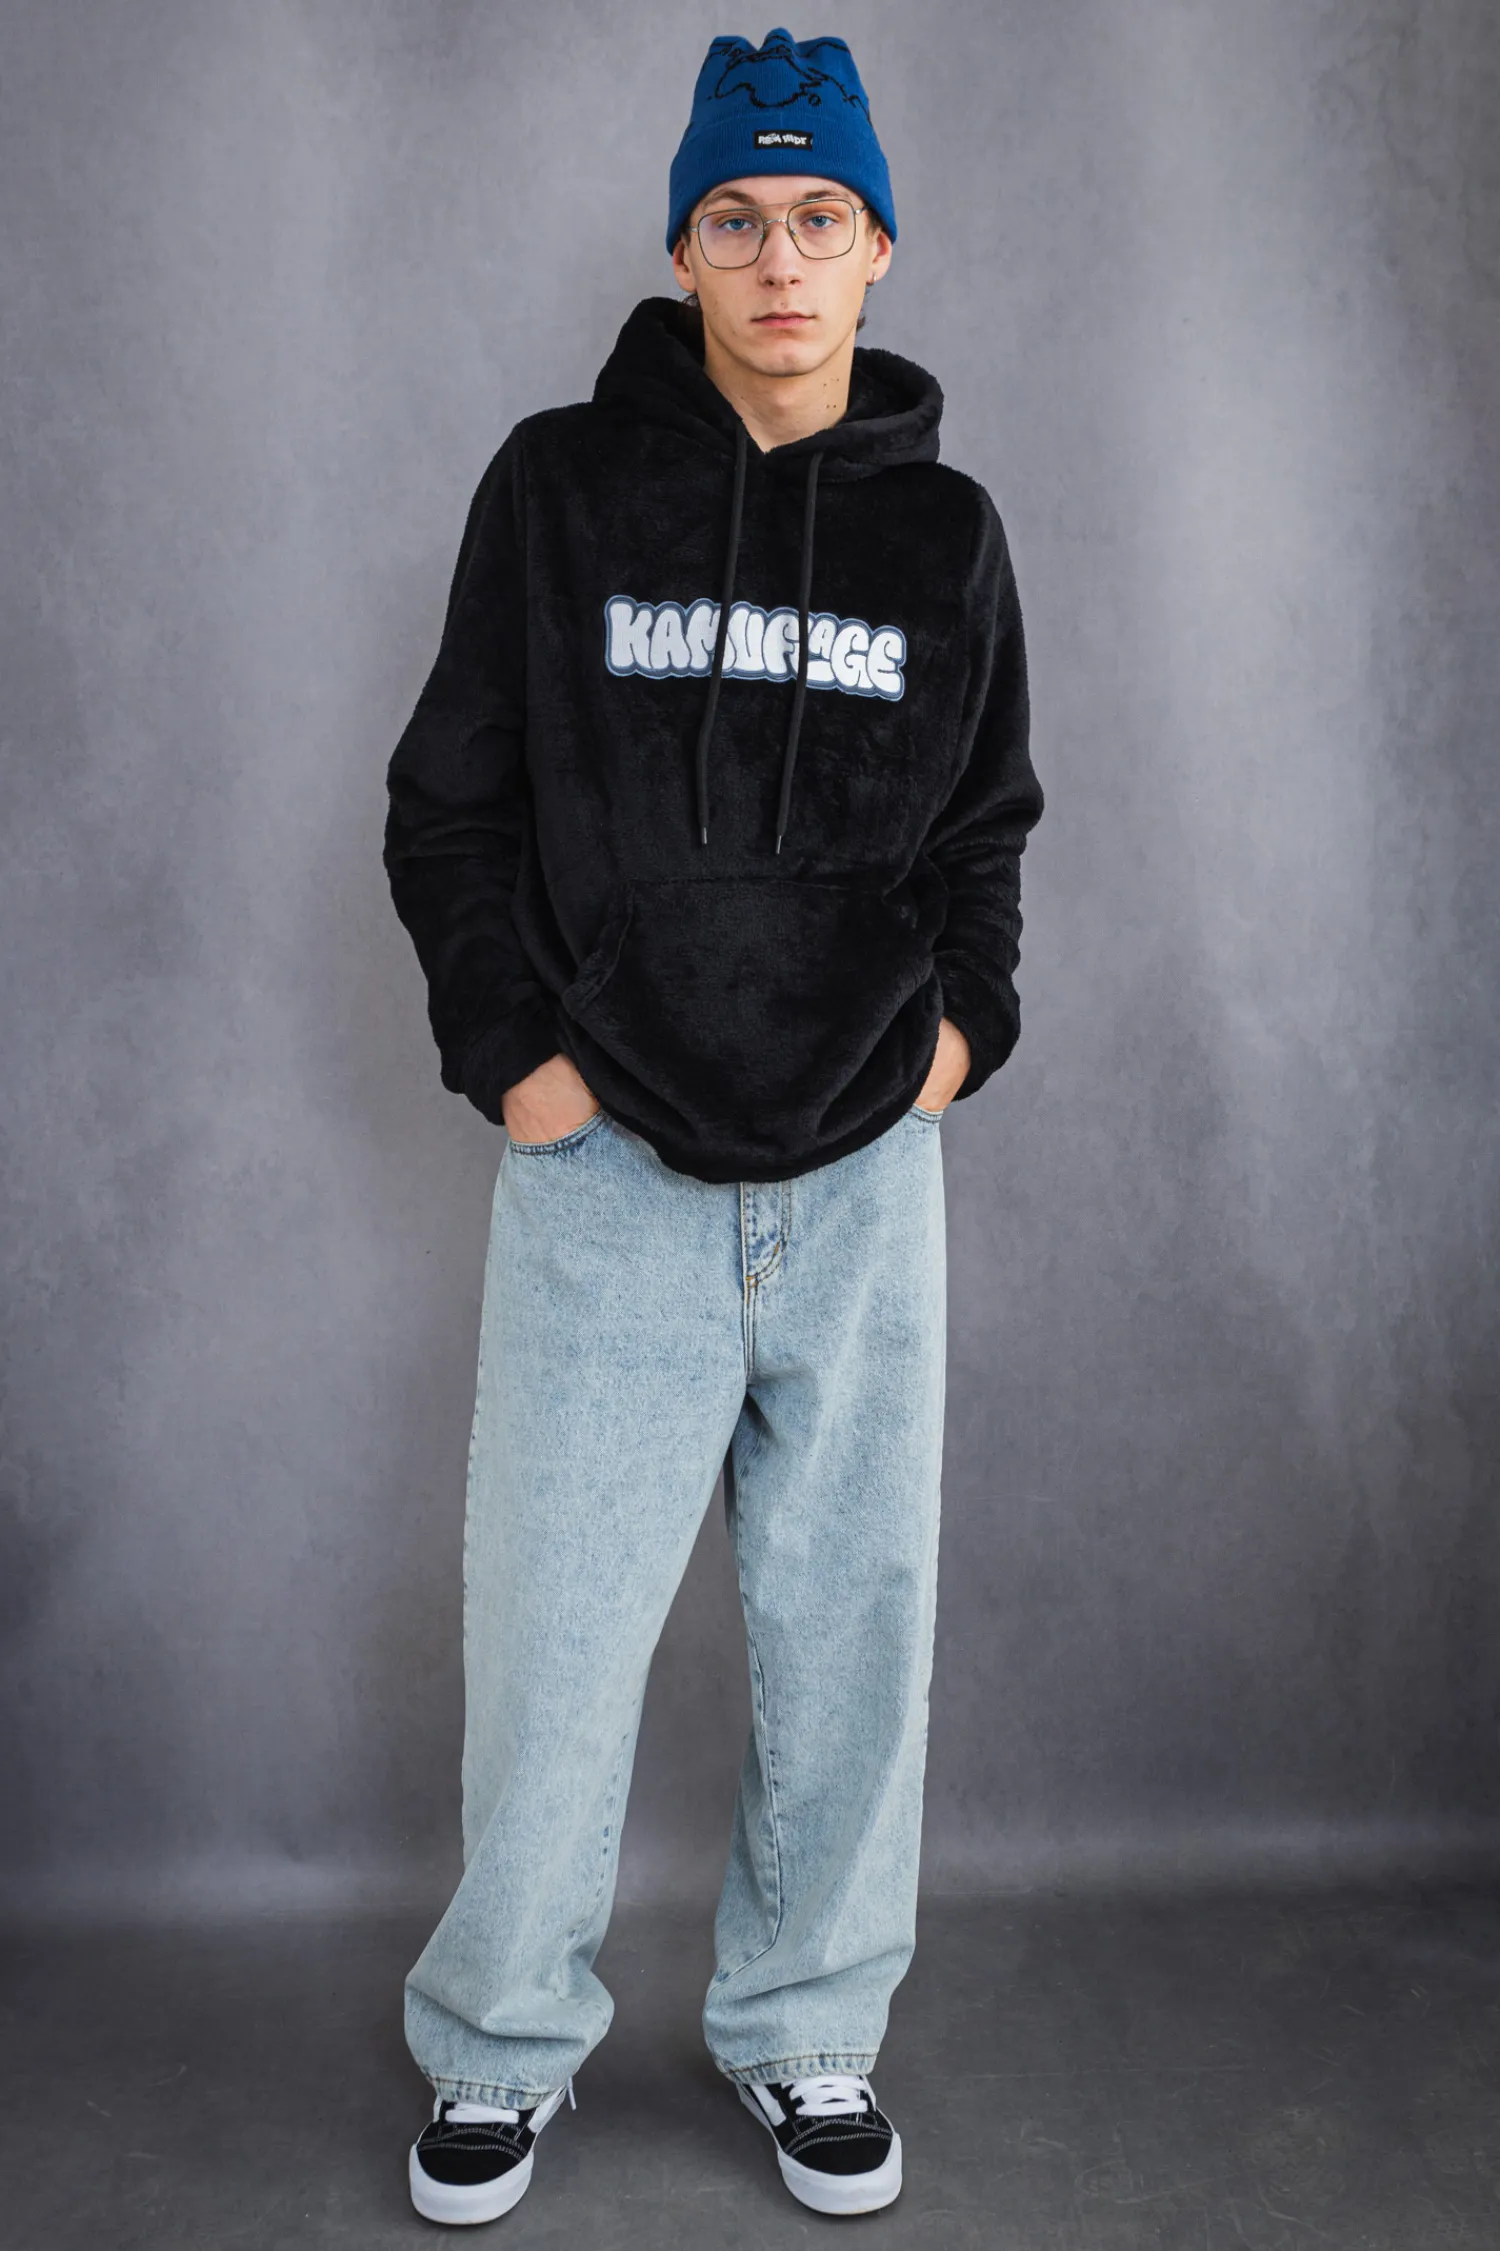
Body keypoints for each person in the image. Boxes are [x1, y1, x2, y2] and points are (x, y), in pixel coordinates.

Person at [382, 23, 1043, 2226]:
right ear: (683, 246)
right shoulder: (558, 490)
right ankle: (498, 2043)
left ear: (879, 248)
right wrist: (520, 1060)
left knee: (856, 1633)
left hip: (861, 1172)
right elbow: (449, 806)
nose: (781, 258)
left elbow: (988, 831)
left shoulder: (946, 531)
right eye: (738, 218)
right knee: (553, 1641)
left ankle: (808, 2027)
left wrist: (958, 1036)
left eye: (820, 217)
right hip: (613, 1174)